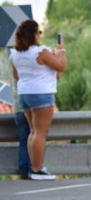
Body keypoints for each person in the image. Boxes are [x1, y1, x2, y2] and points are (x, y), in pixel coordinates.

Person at [10, 19, 67, 181]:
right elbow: (61, 66)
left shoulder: (16, 53)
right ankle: (37, 169)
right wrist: (62, 51)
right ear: (34, 34)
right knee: (40, 133)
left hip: (24, 94)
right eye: (39, 32)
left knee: (33, 131)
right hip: (41, 94)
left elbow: (16, 75)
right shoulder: (41, 52)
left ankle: (33, 168)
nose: (40, 35)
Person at [14, 110, 32, 179]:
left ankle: (23, 171)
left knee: (23, 142)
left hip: (18, 112)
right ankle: (33, 168)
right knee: (35, 137)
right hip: (32, 110)